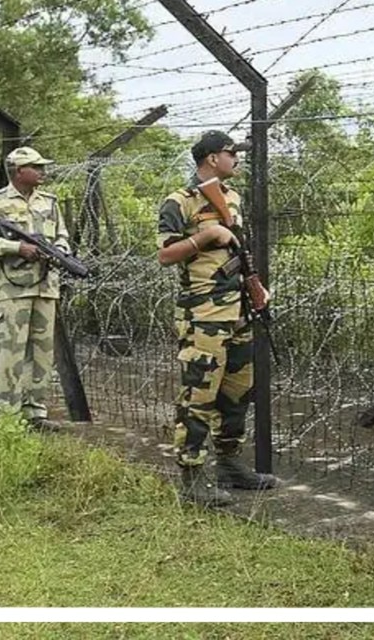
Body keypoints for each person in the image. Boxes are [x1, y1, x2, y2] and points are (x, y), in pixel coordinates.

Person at [155, 130, 280, 508]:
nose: (236, 159)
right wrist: (204, 236)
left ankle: (229, 463)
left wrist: (255, 287)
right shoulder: (180, 202)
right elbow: (165, 255)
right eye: (231, 153)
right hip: (203, 313)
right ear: (211, 158)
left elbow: (239, 250)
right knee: (199, 394)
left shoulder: (232, 198)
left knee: (237, 391)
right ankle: (192, 476)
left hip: (238, 309)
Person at [0, 146, 72, 433]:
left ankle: (34, 412)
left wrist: (60, 251)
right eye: (36, 167)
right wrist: (16, 247)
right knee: (10, 355)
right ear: (18, 171)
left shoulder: (49, 202)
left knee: (41, 355)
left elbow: (62, 236)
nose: (42, 171)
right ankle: (6, 416)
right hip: (11, 289)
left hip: (45, 286)